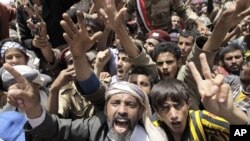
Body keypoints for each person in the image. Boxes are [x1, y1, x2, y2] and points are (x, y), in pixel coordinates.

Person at [3, 10, 167, 141]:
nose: (122, 110)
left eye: (130, 105)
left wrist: (120, 31)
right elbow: (54, 129)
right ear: (105, 108)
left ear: (141, 111)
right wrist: (32, 108)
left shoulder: (156, 135)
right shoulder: (96, 126)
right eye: (115, 103)